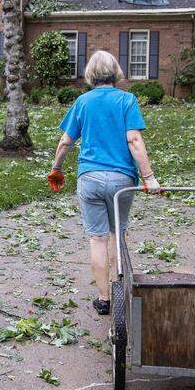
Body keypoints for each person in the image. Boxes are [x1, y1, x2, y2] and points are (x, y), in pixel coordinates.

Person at [46, 50, 161, 315]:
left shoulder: (83, 102)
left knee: (97, 239)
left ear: (91, 73)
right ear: (116, 71)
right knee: (116, 235)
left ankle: (105, 299)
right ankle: (120, 290)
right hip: (122, 180)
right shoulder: (127, 100)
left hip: (90, 179)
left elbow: (65, 141)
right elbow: (134, 141)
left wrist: (57, 169)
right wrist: (149, 178)